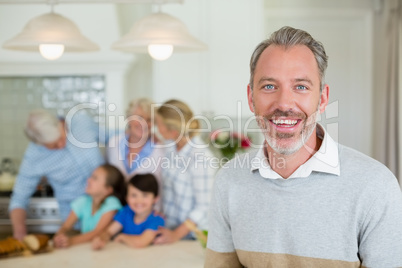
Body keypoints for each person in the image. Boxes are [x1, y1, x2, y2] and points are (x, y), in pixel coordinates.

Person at [205, 26, 402, 267]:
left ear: (323, 98)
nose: (284, 103)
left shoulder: (375, 186)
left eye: (300, 86)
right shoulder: (229, 181)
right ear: (250, 98)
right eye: (269, 86)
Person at [9, 109, 105, 240]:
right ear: (39, 143)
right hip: (74, 225)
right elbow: (19, 199)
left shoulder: (81, 122)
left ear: (60, 124)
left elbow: (114, 137)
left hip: (108, 216)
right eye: (53, 146)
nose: (61, 145)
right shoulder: (34, 155)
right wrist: (20, 233)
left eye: (61, 137)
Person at [153, 99, 216, 244]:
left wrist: (176, 234)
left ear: (173, 131)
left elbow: (204, 207)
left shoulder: (201, 158)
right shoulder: (170, 146)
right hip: (170, 229)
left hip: (193, 238)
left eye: (159, 125)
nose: (156, 129)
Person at [107, 98, 164, 210]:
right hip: (115, 211)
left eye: (149, 120)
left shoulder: (161, 149)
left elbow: (162, 187)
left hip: (146, 215)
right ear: (129, 119)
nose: (144, 124)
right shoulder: (114, 142)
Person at [53, 164, 125, 248]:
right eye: (91, 176)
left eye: (95, 178)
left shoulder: (112, 203)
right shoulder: (83, 201)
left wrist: (71, 241)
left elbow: (98, 232)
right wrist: (58, 237)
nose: (88, 180)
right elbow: (66, 226)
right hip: (87, 248)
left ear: (108, 190)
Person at [92, 173, 164, 249]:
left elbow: (141, 242)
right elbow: (109, 232)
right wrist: (101, 239)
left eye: (145, 195)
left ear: (155, 199)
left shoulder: (157, 219)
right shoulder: (126, 212)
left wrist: (121, 237)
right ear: (127, 198)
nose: (139, 200)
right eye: (133, 195)